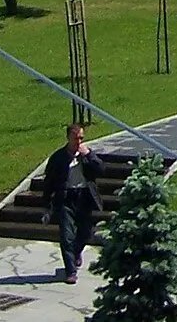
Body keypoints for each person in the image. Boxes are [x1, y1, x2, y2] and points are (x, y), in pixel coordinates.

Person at [41, 122, 105, 284]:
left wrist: (89, 155)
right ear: (68, 138)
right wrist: (47, 205)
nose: (78, 142)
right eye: (75, 138)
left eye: (81, 138)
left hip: (83, 197)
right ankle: (70, 271)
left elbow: (101, 170)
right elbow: (49, 182)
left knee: (85, 233)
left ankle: (76, 253)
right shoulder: (58, 158)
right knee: (66, 236)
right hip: (65, 199)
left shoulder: (86, 154)